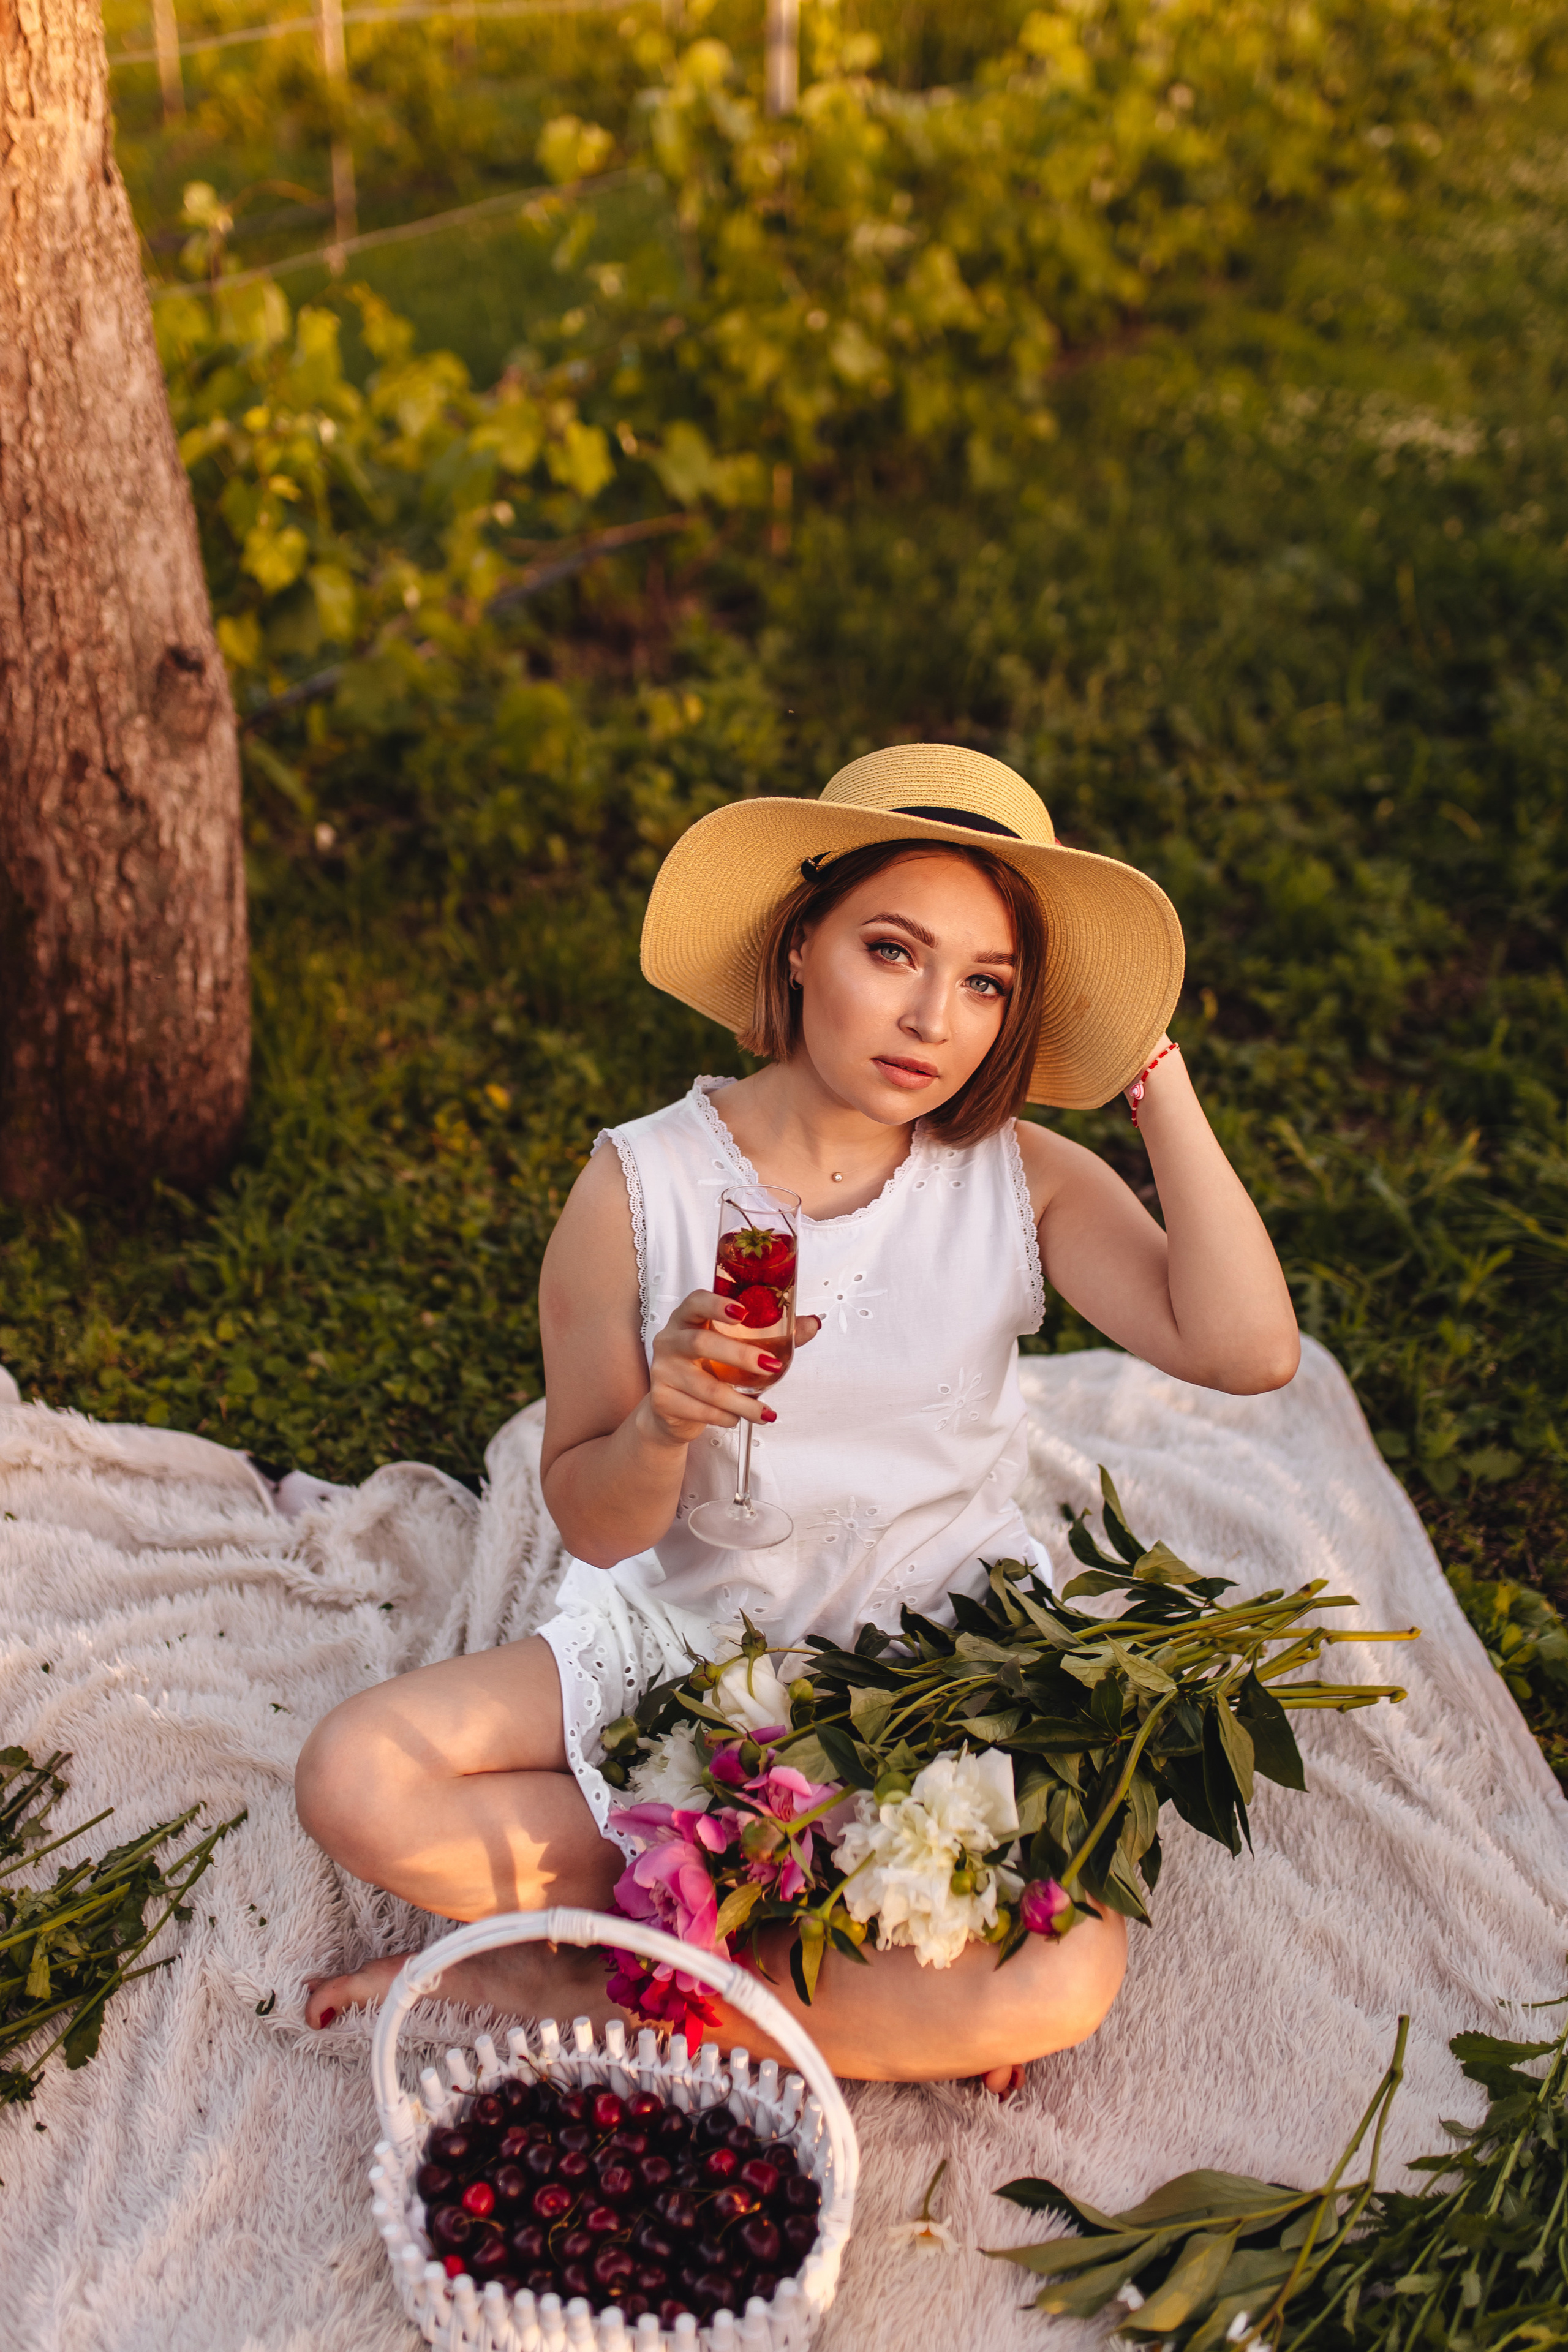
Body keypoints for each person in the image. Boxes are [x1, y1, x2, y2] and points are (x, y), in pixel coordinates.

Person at [296, 744, 1299, 2092]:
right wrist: (663, 1420)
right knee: (357, 1777)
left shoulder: (1014, 1179)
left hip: (938, 1664)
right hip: (695, 1642)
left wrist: (1149, 1066)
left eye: (985, 984)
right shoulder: (638, 1191)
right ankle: (792, 1965)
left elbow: (1245, 1349)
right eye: (893, 952)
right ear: (798, 945)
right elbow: (594, 1525)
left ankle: (581, 1967)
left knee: (1066, 1978)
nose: (933, 1017)